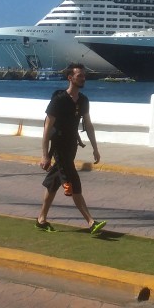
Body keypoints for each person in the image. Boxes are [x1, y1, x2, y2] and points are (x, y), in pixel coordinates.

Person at [36, 63, 106, 235]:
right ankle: (91, 222)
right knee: (73, 181)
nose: (83, 78)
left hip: (71, 145)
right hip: (59, 146)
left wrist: (95, 148)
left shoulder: (83, 100)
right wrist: (45, 155)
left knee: (53, 182)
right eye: (79, 75)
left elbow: (88, 125)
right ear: (70, 78)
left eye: (84, 75)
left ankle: (41, 220)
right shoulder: (59, 100)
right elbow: (47, 127)